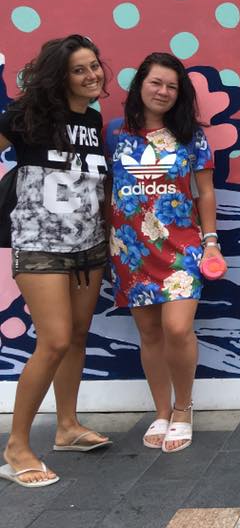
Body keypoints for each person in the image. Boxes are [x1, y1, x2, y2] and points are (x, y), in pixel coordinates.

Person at [0, 35, 112, 488]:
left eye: (95, 65)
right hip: (41, 243)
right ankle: (16, 448)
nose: (92, 75)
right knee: (55, 340)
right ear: (59, 76)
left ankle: (67, 427)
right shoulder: (27, 117)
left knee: (79, 336)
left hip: (90, 244)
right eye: (79, 69)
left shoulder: (95, 120)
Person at [108, 53, 220, 453]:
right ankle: (161, 410)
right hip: (131, 249)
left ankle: (184, 408)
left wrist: (210, 241)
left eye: (172, 87)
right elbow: (107, 191)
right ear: (141, 84)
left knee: (176, 328)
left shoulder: (192, 136)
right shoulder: (115, 134)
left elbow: (205, 192)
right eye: (157, 83)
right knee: (150, 332)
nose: (163, 92)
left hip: (182, 246)